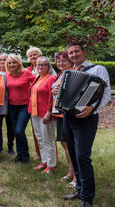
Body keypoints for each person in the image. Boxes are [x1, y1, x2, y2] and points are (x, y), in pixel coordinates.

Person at [61, 43, 111, 207]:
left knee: (82, 156)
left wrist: (92, 108)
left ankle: (87, 197)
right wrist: (57, 94)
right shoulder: (70, 72)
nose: (73, 55)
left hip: (86, 119)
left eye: (76, 51)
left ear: (84, 52)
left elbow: (106, 94)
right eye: (70, 53)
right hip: (68, 117)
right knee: (74, 155)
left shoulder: (98, 69)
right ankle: (80, 189)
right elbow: (63, 93)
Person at [5, 54, 36, 164]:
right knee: (16, 131)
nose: (12, 64)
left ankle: (25, 155)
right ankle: (20, 155)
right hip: (11, 107)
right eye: (9, 63)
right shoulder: (6, 75)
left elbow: (37, 83)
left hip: (24, 106)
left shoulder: (26, 73)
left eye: (14, 62)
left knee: (19, 130)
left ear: (19, 63)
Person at [52, 51, 76, 187]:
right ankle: (70, 172)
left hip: (69, 115)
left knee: (70, 144)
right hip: (60, 114)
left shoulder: (72, 73)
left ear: (70, 62)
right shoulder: (61, 74)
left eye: (64, 60)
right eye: (58, 61)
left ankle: (76, 177)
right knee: (64, 143)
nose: (60, 63)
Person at [29, 56, 57, 174]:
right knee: (40, 138)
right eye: (38, 65)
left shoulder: (51, 79)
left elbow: (53, 97)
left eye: (43, 65)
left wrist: (49, 112)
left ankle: (51, 164)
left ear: (48, 66)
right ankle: (44, 161)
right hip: (35, 112)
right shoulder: (38, 77)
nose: (40, 67)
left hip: (45, 114)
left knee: (48, 139)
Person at [0, 53, 14, 154]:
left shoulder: (12, 73)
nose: (3, 62)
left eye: (5, 60)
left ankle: (10, 145)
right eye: (1, 60)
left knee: (10, 127)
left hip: (10, 104)